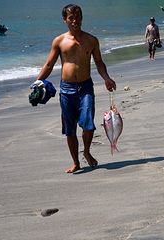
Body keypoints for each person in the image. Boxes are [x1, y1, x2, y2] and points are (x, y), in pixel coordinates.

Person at [36, 4, 116, 173]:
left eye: (78, 17)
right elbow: (49, 64)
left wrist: (107, 79)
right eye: (71, 18)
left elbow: (99, 62)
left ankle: (86, 151)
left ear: (82, 18)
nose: (75, 21)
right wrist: (37, 82)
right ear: (65, 19)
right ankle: (75, 162)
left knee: (88, 125)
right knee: (69, 129)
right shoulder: (59, 41)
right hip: (66, 90)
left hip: (85, 87)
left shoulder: (91, 40)